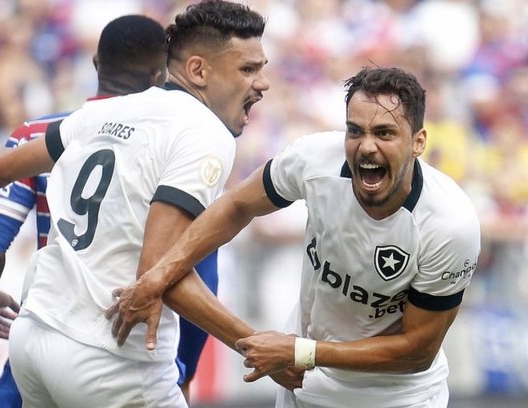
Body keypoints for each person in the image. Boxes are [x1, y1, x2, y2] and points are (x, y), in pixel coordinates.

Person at [0, 1, 300, 406]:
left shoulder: (102, 113)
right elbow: (156, 274)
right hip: (108, 356)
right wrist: (254, 345)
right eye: (248, 69)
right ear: (198, 70)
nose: (263, 83)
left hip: (33, 339)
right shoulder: (203, 133)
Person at [107, 67, 482, 408]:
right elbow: (238, 206)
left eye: (384, 133)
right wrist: (157, 276)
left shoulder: (449, 224)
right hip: (305, 388)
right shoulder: (314, 159)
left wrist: (302, 351)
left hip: (400, 399)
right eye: (355, 131)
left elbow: (417, 351)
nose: (366, 146)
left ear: (418, 142)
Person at [0, 14, 173, 407]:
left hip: (43, 332)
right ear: (159, 76)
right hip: (121, 349)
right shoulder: (171, 144)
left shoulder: (36, 135)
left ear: (95, 64)